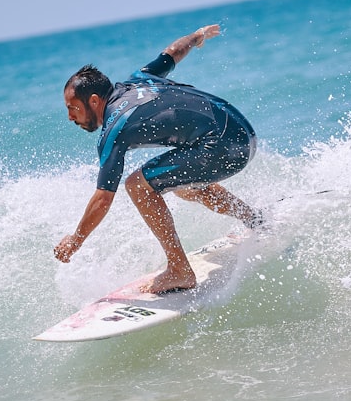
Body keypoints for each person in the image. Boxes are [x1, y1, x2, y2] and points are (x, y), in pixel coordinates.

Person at [54, 24, 262, 293]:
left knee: (138, 186)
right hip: (244, 133)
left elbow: (103, 198)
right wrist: (197, 36)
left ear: (94, 101)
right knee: (182, 186)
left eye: (73, 108)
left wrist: (75, 240)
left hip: (223, 148)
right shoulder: (138, 79)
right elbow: (173, 52)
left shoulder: (114, 129)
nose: (71, 117)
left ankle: (179, 270)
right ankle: (254, 219)